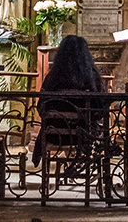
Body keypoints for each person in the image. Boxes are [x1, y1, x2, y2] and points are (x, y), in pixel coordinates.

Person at [32, 35, 107, 167]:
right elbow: (99, 111)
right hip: (82, 136)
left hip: (54, 135)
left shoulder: (52, 78)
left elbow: (41, 108)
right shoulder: (90, 78)